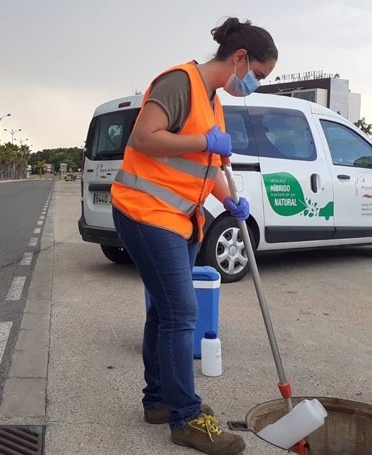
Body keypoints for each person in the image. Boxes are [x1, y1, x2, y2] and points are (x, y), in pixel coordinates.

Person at [111, 17, 278, 455]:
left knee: (164, 313)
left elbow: (206, 165)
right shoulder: (178, 82)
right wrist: (204, 139)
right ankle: (186, 417)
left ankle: (158, 401)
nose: (255, 84)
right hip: (145, 212)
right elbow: (144, 138)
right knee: (182, 314)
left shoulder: (214, 99)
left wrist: (228, 200)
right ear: (239, 58)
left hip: (181, 217)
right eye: (258, 75)